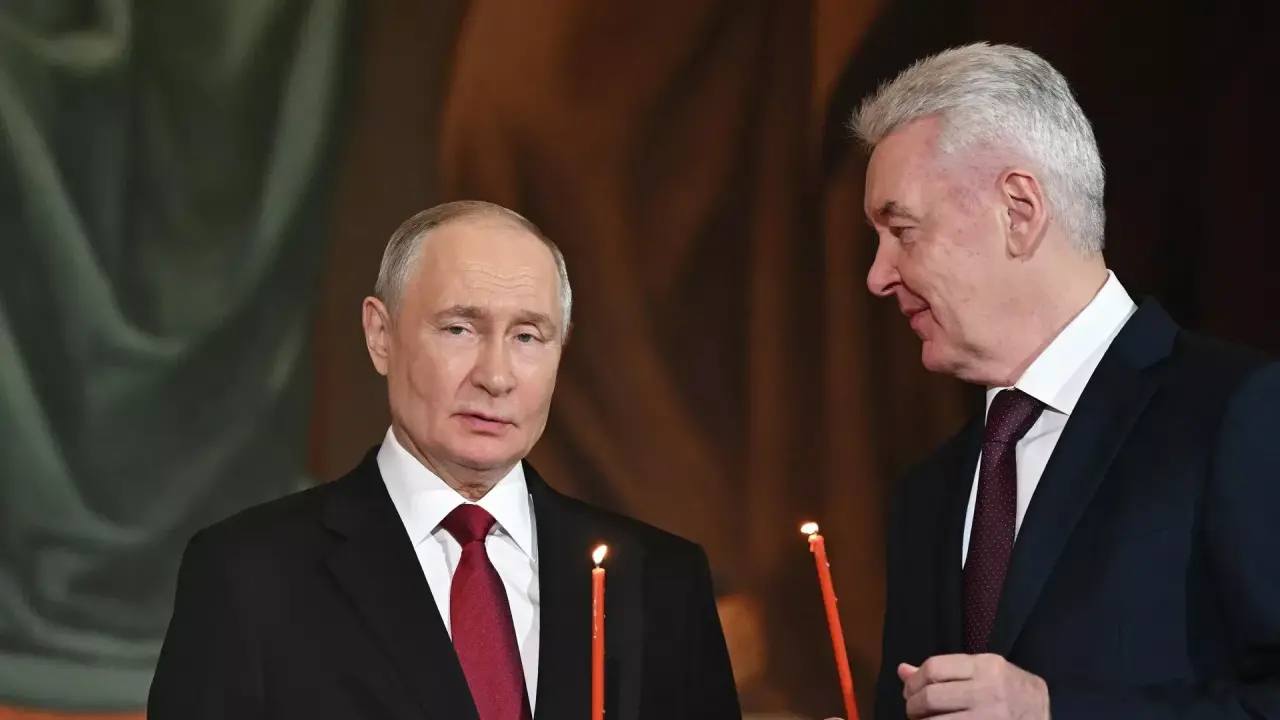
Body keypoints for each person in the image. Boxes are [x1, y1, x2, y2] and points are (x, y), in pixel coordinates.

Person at [147, 201, 741, 719]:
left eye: (527, 337)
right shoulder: (248, 576)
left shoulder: (659, 582)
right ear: (380, 335)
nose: (496, 377)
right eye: (459, 329)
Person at [853, 43, 1280, 719]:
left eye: (902, 230)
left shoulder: (1240, 414)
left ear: (1019, 210)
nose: (878, 275)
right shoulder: (927, 492)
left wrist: (1054, 710)